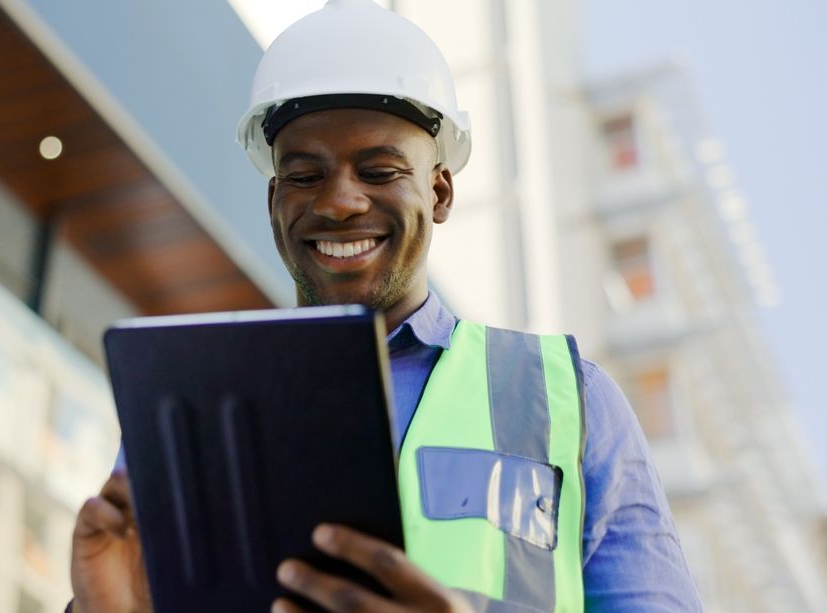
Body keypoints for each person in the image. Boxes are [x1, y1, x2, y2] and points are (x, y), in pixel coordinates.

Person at [69, 1, 703, 611]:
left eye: (378, 170)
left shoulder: (567, 401)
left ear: (440, 191)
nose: (339, 202)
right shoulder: (191, 402)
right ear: (273, 205)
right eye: (304, 175)